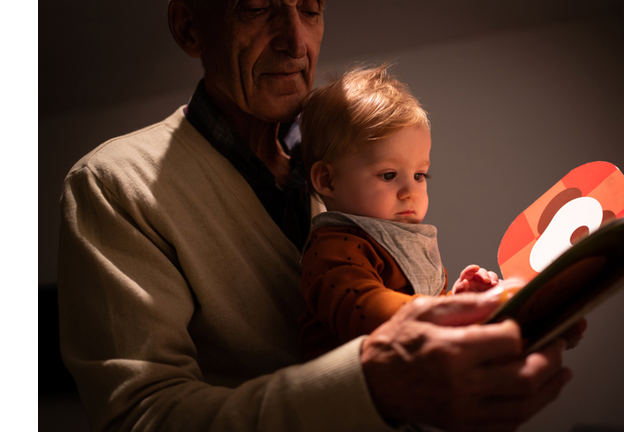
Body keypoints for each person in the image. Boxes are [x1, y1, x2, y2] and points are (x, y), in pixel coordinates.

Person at [57, 1, 585, 431]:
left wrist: (487, 325)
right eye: (257, 6)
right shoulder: (114, 184)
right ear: (189, 26)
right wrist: (370, 384)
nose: (294, 40)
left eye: (309, 9)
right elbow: (140, 417)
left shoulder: (352, 160)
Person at [297, 65, 513, 360]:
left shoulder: (399, 241)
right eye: (388, 175)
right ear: (328, 180)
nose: (409, 191)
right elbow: (360, 308)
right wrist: (443, 311)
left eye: (420, 175)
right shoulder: (334, 247)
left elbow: (418, 308)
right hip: (349, 394)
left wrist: (458, 299)